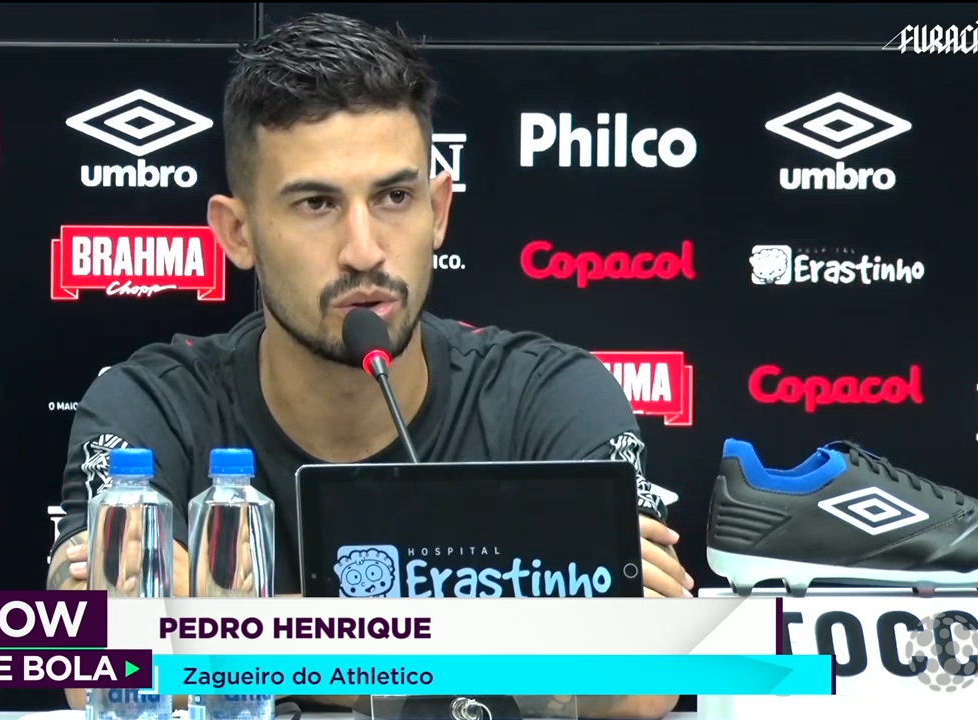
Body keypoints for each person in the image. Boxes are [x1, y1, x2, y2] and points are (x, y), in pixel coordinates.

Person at [46, 12, 690, 719]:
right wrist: (514, 624)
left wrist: (230, 624)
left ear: (438, 211)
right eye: (317, 203)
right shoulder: (149, 404)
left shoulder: (550, 395)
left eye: (394, 198)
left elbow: (640, 682)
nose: (364, 250)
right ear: (238, 232)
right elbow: (104, 668)